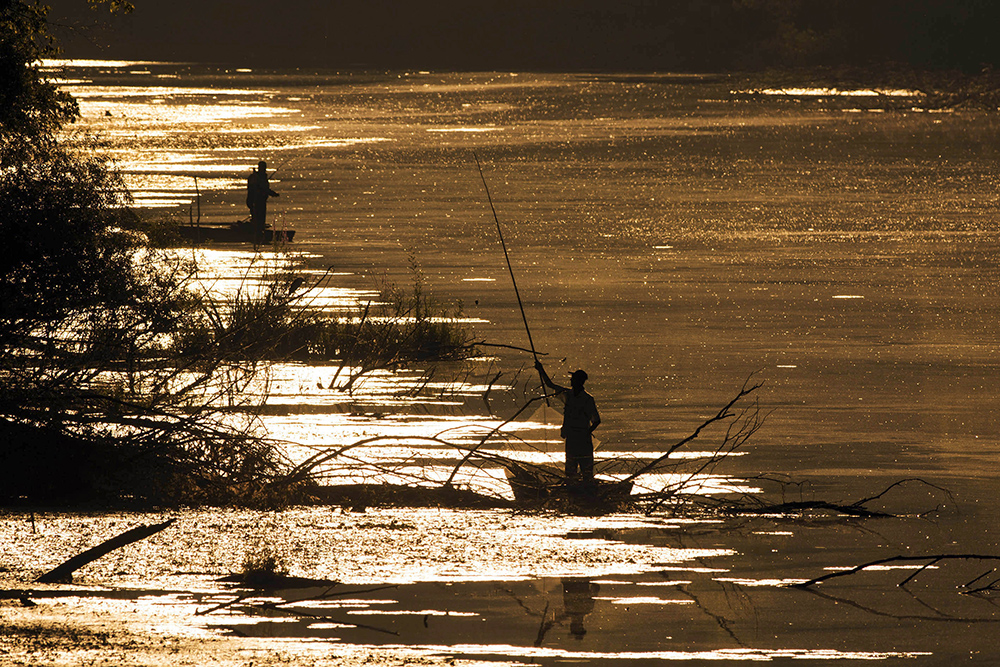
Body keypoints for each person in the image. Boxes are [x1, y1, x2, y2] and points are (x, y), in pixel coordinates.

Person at [535, 360, 601, 482]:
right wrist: (541, 369)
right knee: (571, 473)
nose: (570, 380)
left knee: (586, 472)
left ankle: (586, 493)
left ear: (578, 381)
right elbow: (550, 384)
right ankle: (575, 494)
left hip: (582, 441)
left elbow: (597, 420)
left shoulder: (587, 399)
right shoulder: (568, 395)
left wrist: (586, 433)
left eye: (573, 379)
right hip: (571, 439)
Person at [245, 160, 279, 235]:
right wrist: (272, 193)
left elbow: (264, 189)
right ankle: (256, 233)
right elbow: (258, 189)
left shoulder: (261, 177)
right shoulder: (255, 178)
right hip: (255, 201)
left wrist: (272, 193)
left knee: (260, 219)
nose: (264, 169)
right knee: (257, 218)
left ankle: (259, 231)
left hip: (261, 201)